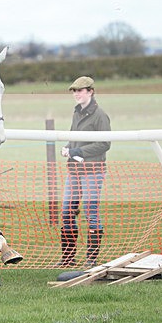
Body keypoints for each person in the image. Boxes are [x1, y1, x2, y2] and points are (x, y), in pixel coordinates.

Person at [57, 76, 111, 268]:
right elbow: (74, 137)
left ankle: (91, 259)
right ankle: (68, 258)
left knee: (91, 213)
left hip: (93, 172)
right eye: (74, 91)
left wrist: (78, 151)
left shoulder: (100, 115)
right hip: (74, 171)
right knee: (66, 212)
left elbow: (105, 144)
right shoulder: (77, 113)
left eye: (80, 91)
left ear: (91, 91)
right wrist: (67, 147)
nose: (77, 94)